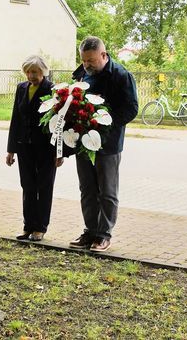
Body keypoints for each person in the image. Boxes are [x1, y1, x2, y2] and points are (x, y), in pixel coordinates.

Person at [69, 36, 138, 252]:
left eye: (91, 60)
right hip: (83, 143)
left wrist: (104, 123)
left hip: (108, 144)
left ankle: (103, 234)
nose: (87, 65)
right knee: (87, 189)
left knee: (107, 192)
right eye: (84, 60)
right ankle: (90, 231)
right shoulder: (80, 74)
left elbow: (131, 108)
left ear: (104, 55)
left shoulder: (121, 76)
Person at [6, 55, 63, 242]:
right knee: (28, 186)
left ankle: (40, 228)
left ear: (43, 72)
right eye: (29, 72)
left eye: (35, 72)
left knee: (44, 187)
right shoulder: (21, 88)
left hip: (46, 148)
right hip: (24, 146)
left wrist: (60, 152)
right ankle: (28, 226)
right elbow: (16, 119)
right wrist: (11, 150)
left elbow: (60, 123)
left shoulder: (53, 90)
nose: (32, 75)